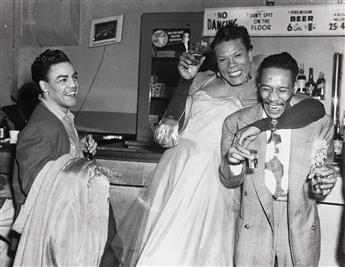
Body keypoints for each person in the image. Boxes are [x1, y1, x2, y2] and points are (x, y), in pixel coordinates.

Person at [117, 24, 327, 266]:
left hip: (219, 179)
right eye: (223, 59)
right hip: (179, 172)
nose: (232, 65)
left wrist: (260, 125)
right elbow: (166, 134)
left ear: (250, 53)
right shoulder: (202, 81)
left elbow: (314, 108)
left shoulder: (262, 90)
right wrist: (185, 82)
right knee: (165, 250)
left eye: (238, 55)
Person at [219, 52, 336, 266]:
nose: (273, 98)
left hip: (299, 223)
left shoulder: (319, 123)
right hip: (254, 221)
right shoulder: (236, 122)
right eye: (266, 89)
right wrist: (233, 163)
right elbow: (229, 180)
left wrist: (325, 182)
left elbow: (321, 174)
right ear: (258, 87)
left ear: (294, 88)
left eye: (282, 90)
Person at [10, 49, 119, 266]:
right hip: (54, 238)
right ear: (44, 86)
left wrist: (82, 154)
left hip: (73, 229)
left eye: (74, 77)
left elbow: (62, 162)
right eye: (62, 80)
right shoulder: (39, 128)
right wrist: (82, 166)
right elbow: (38, 187)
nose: (73, 84)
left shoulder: (60, 118)